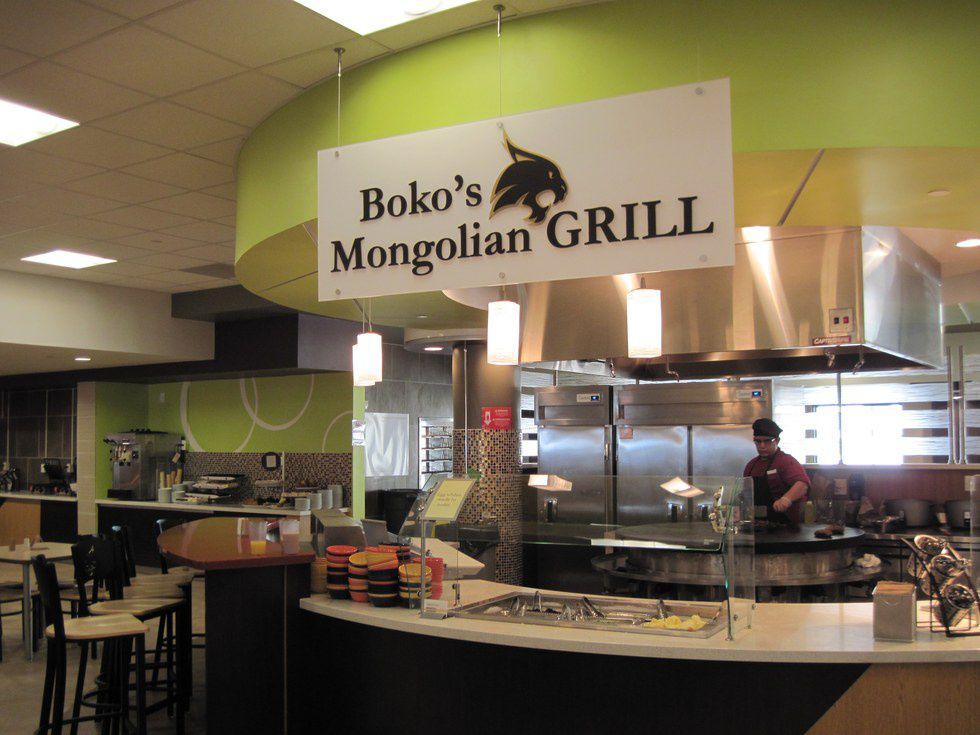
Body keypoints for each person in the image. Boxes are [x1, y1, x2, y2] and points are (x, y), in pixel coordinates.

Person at [743, 418, 810, 527]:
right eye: (758, 441)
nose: (762, 446)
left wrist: (786, 499)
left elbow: (802, 485)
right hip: (757, 525)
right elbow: (746, 493)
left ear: (777, 441)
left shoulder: (786, 461)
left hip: (784, 526)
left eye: (767, 441)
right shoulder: (751, 465)